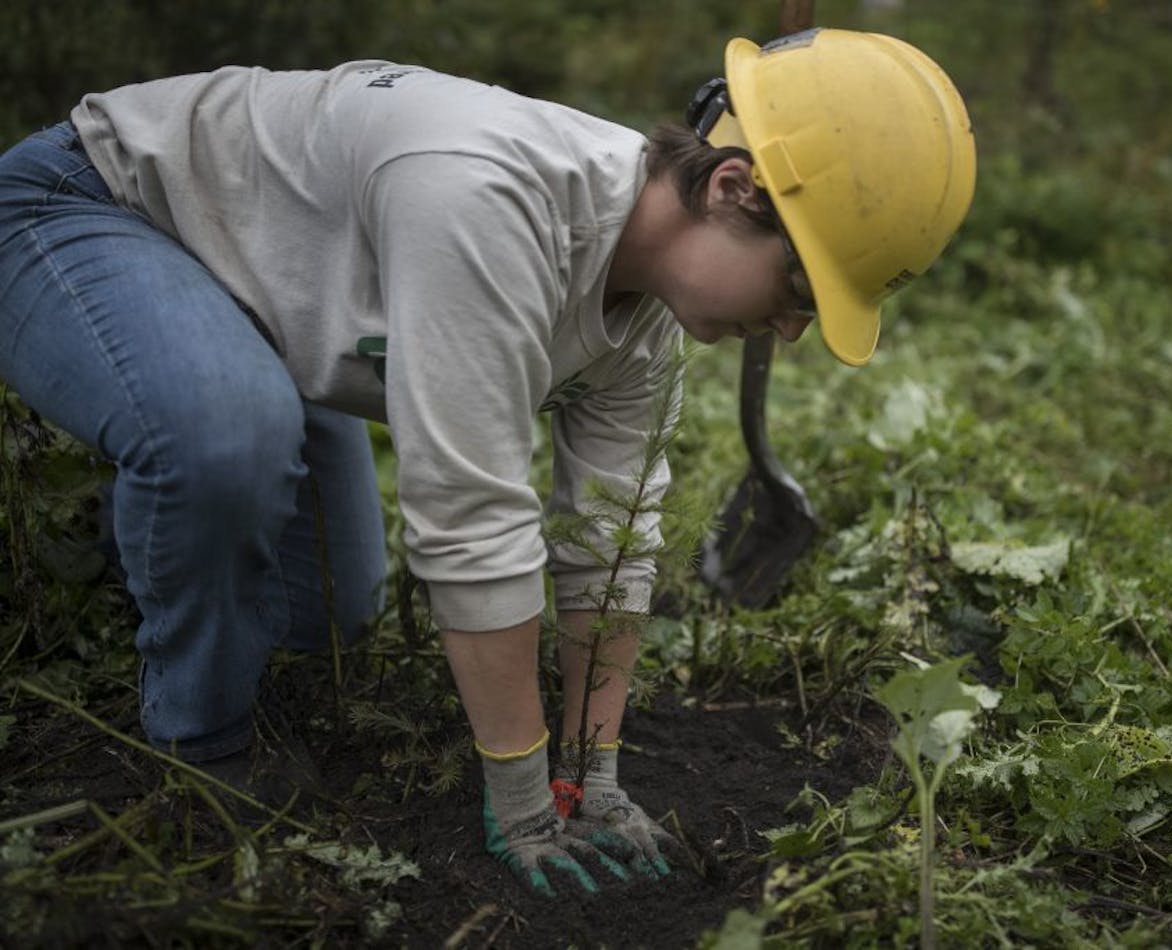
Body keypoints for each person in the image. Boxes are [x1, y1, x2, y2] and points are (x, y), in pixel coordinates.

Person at [0, 27, 974, 896]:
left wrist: (589, 773)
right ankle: (196, 753)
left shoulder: (645, 325)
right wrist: (519, 795)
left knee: (324, 616)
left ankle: (178, 461)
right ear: (730, 188)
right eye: (800, 283)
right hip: (85, 208)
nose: (794, 329)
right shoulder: (487, 198)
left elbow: (612, 529)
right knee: (224, 442)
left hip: (257, 306)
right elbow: (471, 517)